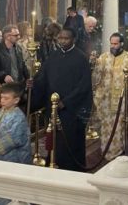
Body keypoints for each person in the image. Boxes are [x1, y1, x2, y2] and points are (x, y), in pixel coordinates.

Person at [32, 28, 92, 171]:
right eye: (60, 38)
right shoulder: (53, 55)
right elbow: (43, 77)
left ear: (73, 39)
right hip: (53, 108)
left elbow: (83, 86)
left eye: (66, 38)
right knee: (54, 139)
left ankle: (72, 169)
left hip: (71, 110)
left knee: (70, 141)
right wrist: (32, 83)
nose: (63, 41)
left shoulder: (81, 58)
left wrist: (66, 102)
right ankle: (53, 163)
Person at [0, 83, 31, 204]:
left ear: (16, 100)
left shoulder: (19, 117)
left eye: (6, 98)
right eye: (1, 97)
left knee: (6, 185)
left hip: (12, 156)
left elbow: (17, 137)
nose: (2, 101)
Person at [93, 32, 128, 160]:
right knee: (106, 126)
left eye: (116, 44)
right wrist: (94, 65)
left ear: (122, 44)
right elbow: (95, 78)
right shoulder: (103, 58)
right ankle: (106, 150)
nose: (113, 46)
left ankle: (119, 151)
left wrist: (123, 90)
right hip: (105, 99)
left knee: (119, 126)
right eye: (111, 43)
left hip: (121, 99)